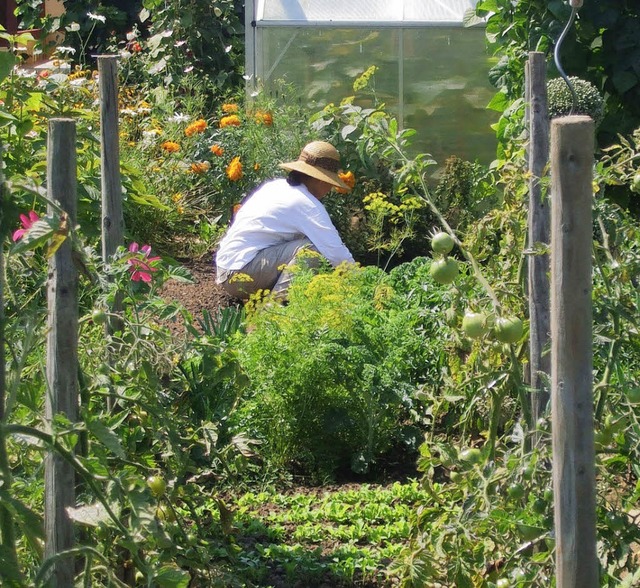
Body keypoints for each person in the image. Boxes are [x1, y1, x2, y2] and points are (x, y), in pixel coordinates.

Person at [215, 140, 355, 301]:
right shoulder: (306, 204)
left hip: (227, 268)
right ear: (320, 180)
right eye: (329, 184)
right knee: (312, 250)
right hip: (239, 273)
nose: (329, 190)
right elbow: (337, 254)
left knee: (307, 242)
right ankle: (275, 310)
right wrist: (364, 284)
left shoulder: (275, 186)